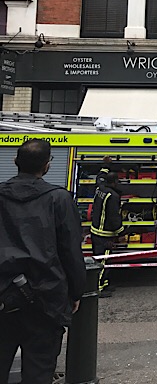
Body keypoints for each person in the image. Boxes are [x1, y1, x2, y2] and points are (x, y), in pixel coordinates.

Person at [0, 139, 86, 384]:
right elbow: (70, 250)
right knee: (39, 370)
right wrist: (76, 292)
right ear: (47, 166)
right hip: (45, 299)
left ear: (15, 162)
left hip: (3, 296)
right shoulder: (59, 199)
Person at [90, 157, 123, 298]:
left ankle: (105, 284)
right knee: (102, 261)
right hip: (105, 234)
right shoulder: (113, 196)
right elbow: (114, 216)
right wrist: (120, 232)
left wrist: (105, 165)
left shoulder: (100, 189)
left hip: (95, 231)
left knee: (102, 259)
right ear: (115, 182)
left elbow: (100, 177)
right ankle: (98, 289)